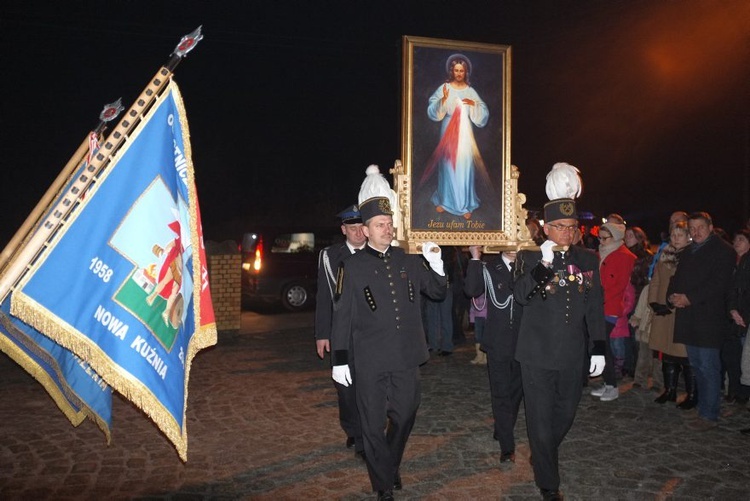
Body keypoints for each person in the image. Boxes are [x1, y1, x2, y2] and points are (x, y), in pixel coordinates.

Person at [330, 196, 447, 501]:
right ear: (365, 230)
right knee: (371, 424)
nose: (388, 228)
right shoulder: (351, 266)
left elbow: (436, 292)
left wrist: (436, 263)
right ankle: (383, 485)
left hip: (406, 355)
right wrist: (340, 359)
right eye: (380, 224)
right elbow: (341, 314)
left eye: (390, 223)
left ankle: (388, 462)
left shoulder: (407, 259)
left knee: (406, 413)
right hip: (369, 359)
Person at [513, 163, 605, 501]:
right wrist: (544, 265)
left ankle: (543, 452)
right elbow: (520, 295)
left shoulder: (589, 259)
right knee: (539, 418)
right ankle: (548, 484)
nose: (567, 233)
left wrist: (598, 348)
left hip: (571, 352)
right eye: (560, 227)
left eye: (572, 226)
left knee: (565, 413)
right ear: (546, 228)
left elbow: (595, 305)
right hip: (535, 353)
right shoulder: (529, 257)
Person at [668, 212, 736, 430]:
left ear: (711, 227)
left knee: (708, 366)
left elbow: (718, 284)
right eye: (692, 228)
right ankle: (703, 408)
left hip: (708, 319)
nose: (696, 232)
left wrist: (690, 298)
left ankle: (709, 414)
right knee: (697, 365)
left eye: (700, 227)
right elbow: (677, 278)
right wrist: (672, 295)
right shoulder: (688, 252)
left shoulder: (723, 251)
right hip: (690, 318)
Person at [314, 205, 366, 459]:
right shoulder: (329, 256)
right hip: (341, 334)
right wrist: (322, 334)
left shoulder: (376, 253)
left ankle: (364, 438)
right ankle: (353, 429)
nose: (358, 233)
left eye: (361, 228)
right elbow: (324, 297)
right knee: (345, 389)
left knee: (369, 386)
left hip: (370, 334)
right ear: (343, 229)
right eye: (352, 228)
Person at [465, 247, 523, 463]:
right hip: (498, 341)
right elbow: (471, 290)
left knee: (516, 392)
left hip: (524, 342)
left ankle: (503, 424)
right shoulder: (489, 267)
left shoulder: (529, 265)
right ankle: (507, 445)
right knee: (500, 392)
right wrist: (475, 258)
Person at [422, 54, 489, 219]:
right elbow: (432, 109)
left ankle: (465, 204)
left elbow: (483, 112)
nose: (459, 73)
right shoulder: (445, 88)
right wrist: (443, 100)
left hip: (465, 132)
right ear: (452, 71)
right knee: (447, 165)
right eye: (456, 70)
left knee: (464, 165)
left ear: (465, 72)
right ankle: (445, 201)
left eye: (462, 71)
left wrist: (474, 105)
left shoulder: (470, 91)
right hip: (448, 131)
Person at [648, 222, 694, 407]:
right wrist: (653, 302)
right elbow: (657, 278)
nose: (675, 239)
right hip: (663, 310)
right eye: (673, 235)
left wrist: (672, 304)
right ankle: (670, 390)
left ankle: (691, 394)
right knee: (666, 353)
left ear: (688, 237)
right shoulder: (666, 254)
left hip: (680, 311)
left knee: (684, 356)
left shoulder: (691, 255)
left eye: (679, 235)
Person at [590, 221, 635, 402]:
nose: (601, 241)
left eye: (604, 238)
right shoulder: (601, 253)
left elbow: (617, 286)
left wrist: (597, 298)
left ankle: (612, 385)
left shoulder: (625, 256)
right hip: (598, 305)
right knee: (600, 346)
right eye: (599, 237)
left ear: (615, 237)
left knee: (603, 346)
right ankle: (609, 383)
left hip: (609, 308)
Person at [725, 228, 750, 405]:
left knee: (745, 358)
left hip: (744, 317)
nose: (736, 242)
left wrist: (742, 314)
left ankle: (743, 393)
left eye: (741, 239)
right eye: (735, 239)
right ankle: (735, 390)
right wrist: (731, 310)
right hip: (731, 316)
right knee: (732, 357)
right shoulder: (730, 262)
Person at [424, 247, 454, 356]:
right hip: (431, 284)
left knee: (445, 316)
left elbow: (451, 265)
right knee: (432, 316)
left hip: (445, 283)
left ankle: (446, 346)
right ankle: (434, 344)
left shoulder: (449, 248)